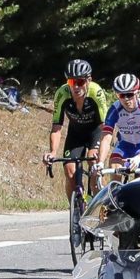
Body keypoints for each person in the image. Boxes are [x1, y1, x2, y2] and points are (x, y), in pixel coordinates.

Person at [45, 60, 111, 201]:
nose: (75, 86)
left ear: (88, 80)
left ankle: (101, 204)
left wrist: (101, 154)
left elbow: (105, 127)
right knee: (70, 173)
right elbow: (56, 127)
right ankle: (75, 211)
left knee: (94, 163)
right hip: (76, 134)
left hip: (95, 132)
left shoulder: (96, 92)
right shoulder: (62, 93)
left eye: (80, 82)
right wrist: (52, 152)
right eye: (71, 82)